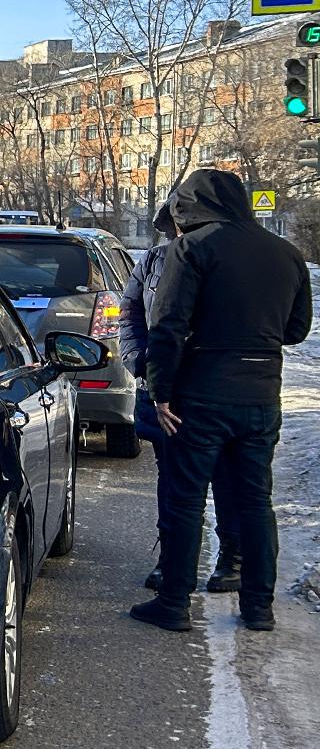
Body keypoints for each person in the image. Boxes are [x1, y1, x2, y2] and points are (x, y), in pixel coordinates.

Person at [133, 169, 311, 633]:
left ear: (190, 206)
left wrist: (161, 390)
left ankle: (173, 604)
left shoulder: (191, 249)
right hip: (261, 394)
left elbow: (168, 325)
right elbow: (296, 331)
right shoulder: (288, 255)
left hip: (200, 394)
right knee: (255, 502)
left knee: (185, 500)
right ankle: (258, 608)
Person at [120, 200, 239, 593]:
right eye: (174, 218)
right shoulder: (154, 260)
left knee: (225, 475)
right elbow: (131, 313)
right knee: (172, 480)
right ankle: (171, 560)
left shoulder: (225, 258)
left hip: (212, 389)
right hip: (160, 388)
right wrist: (139, 360)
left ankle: (231, 559)